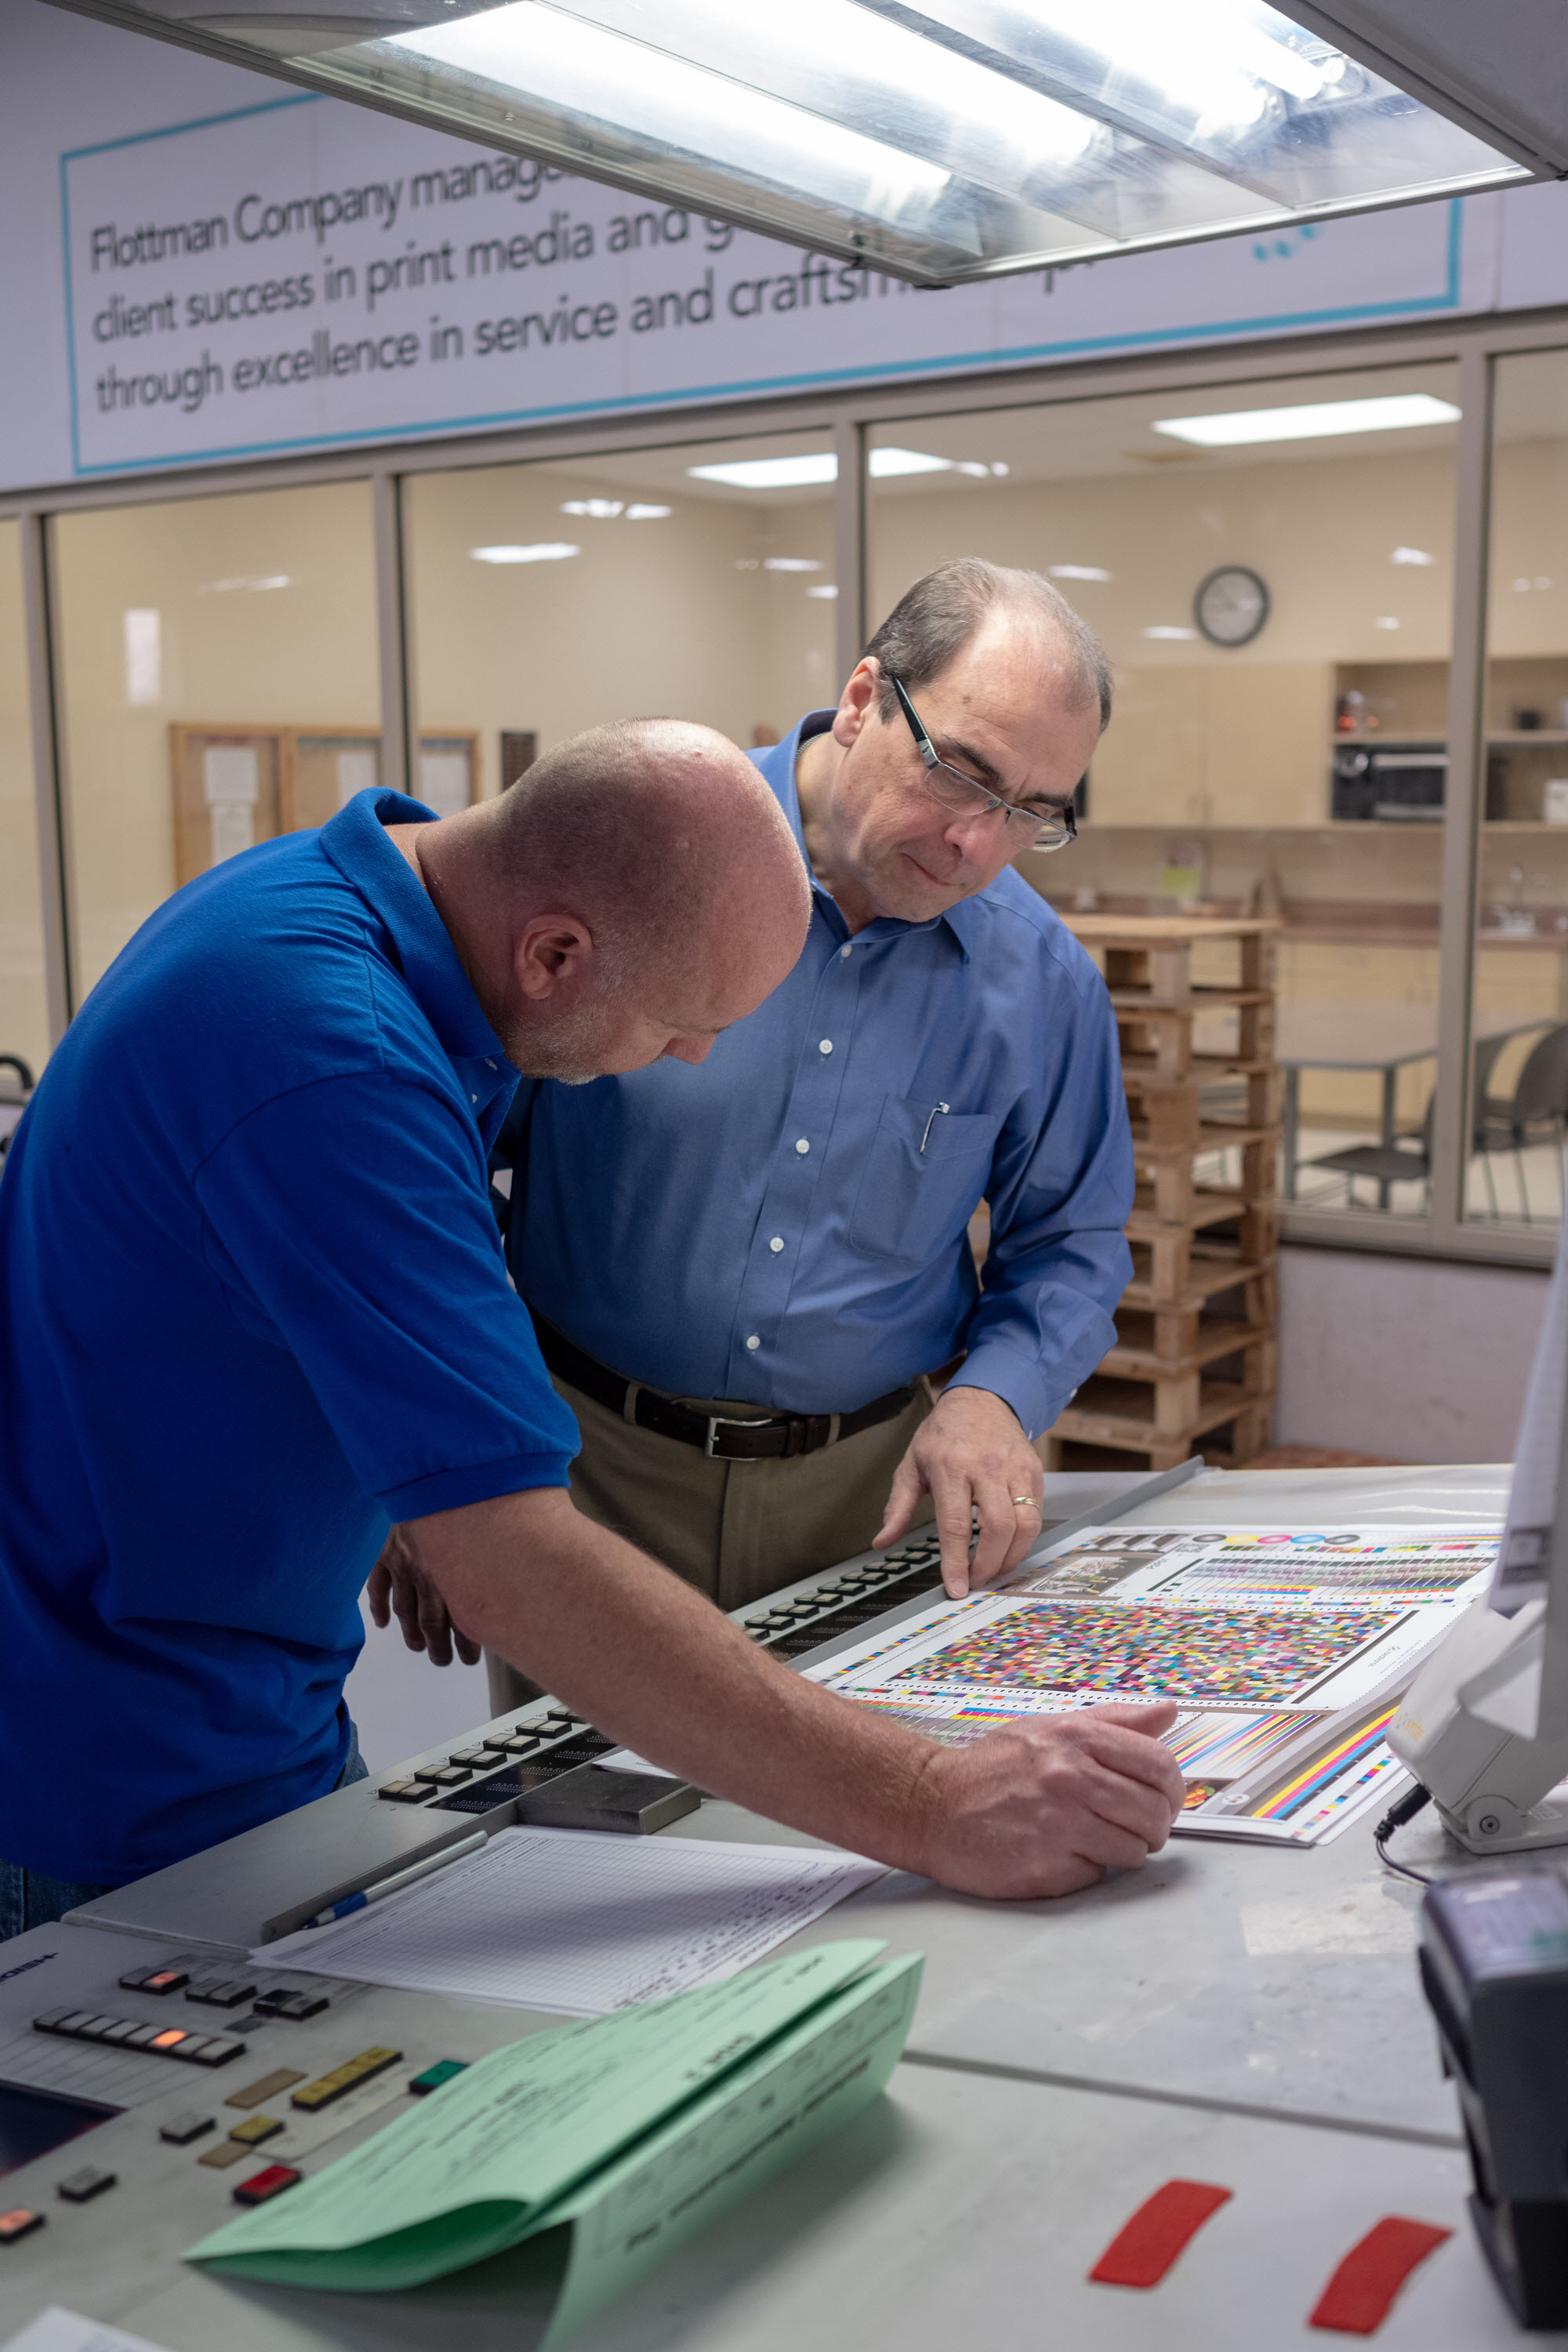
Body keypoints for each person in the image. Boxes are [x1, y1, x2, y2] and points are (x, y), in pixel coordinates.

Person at [0, 714, 1181, 1937]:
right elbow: (513, 1570)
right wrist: (933, 1799)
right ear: (555, 954)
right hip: (109, 1772)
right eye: (680, 1020)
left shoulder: (362, 913)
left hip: (245, 1708)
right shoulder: (330, 1053)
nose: (692, 1055)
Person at [432, 560, 1134, 1725]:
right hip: (587, 1471)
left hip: (873, 1497)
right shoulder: (628, 864)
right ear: (864, 697)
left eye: (1032, 813)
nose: (976, 842)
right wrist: (441, 1446)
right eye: (963, 771)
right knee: (580, 1854)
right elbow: (444, 1163)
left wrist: (995, 1401)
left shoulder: (1043, 981)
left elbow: (1070, 1240)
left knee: (860, 1847)